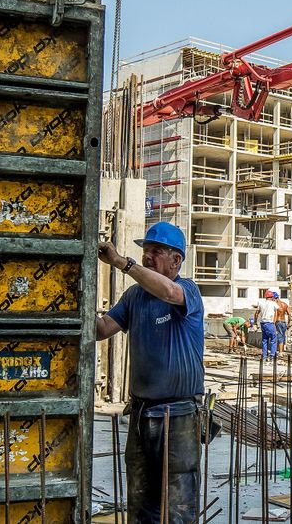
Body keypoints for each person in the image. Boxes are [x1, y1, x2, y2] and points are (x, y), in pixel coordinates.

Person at [95, 222, 206, 524]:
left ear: (176, 260)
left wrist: (121, 262)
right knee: (142, 501)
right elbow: (103, 329)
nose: (147, 256)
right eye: (145, 251)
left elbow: (170, 292)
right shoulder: (135, 296)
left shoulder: (188, 291)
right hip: (143, 414)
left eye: (156, 251)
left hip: (179, 414)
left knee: (178, 503)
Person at [253, 289, 279, 360]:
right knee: (273, 339)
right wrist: (274, 322)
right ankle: (272, 356)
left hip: (263, 323)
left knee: (265, 340)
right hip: (270, 323)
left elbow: (256, 313)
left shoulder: (261, 303)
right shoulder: (273, 303)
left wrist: (255, 322)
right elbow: (276, 313)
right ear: (272, 297)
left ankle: (264, 356)